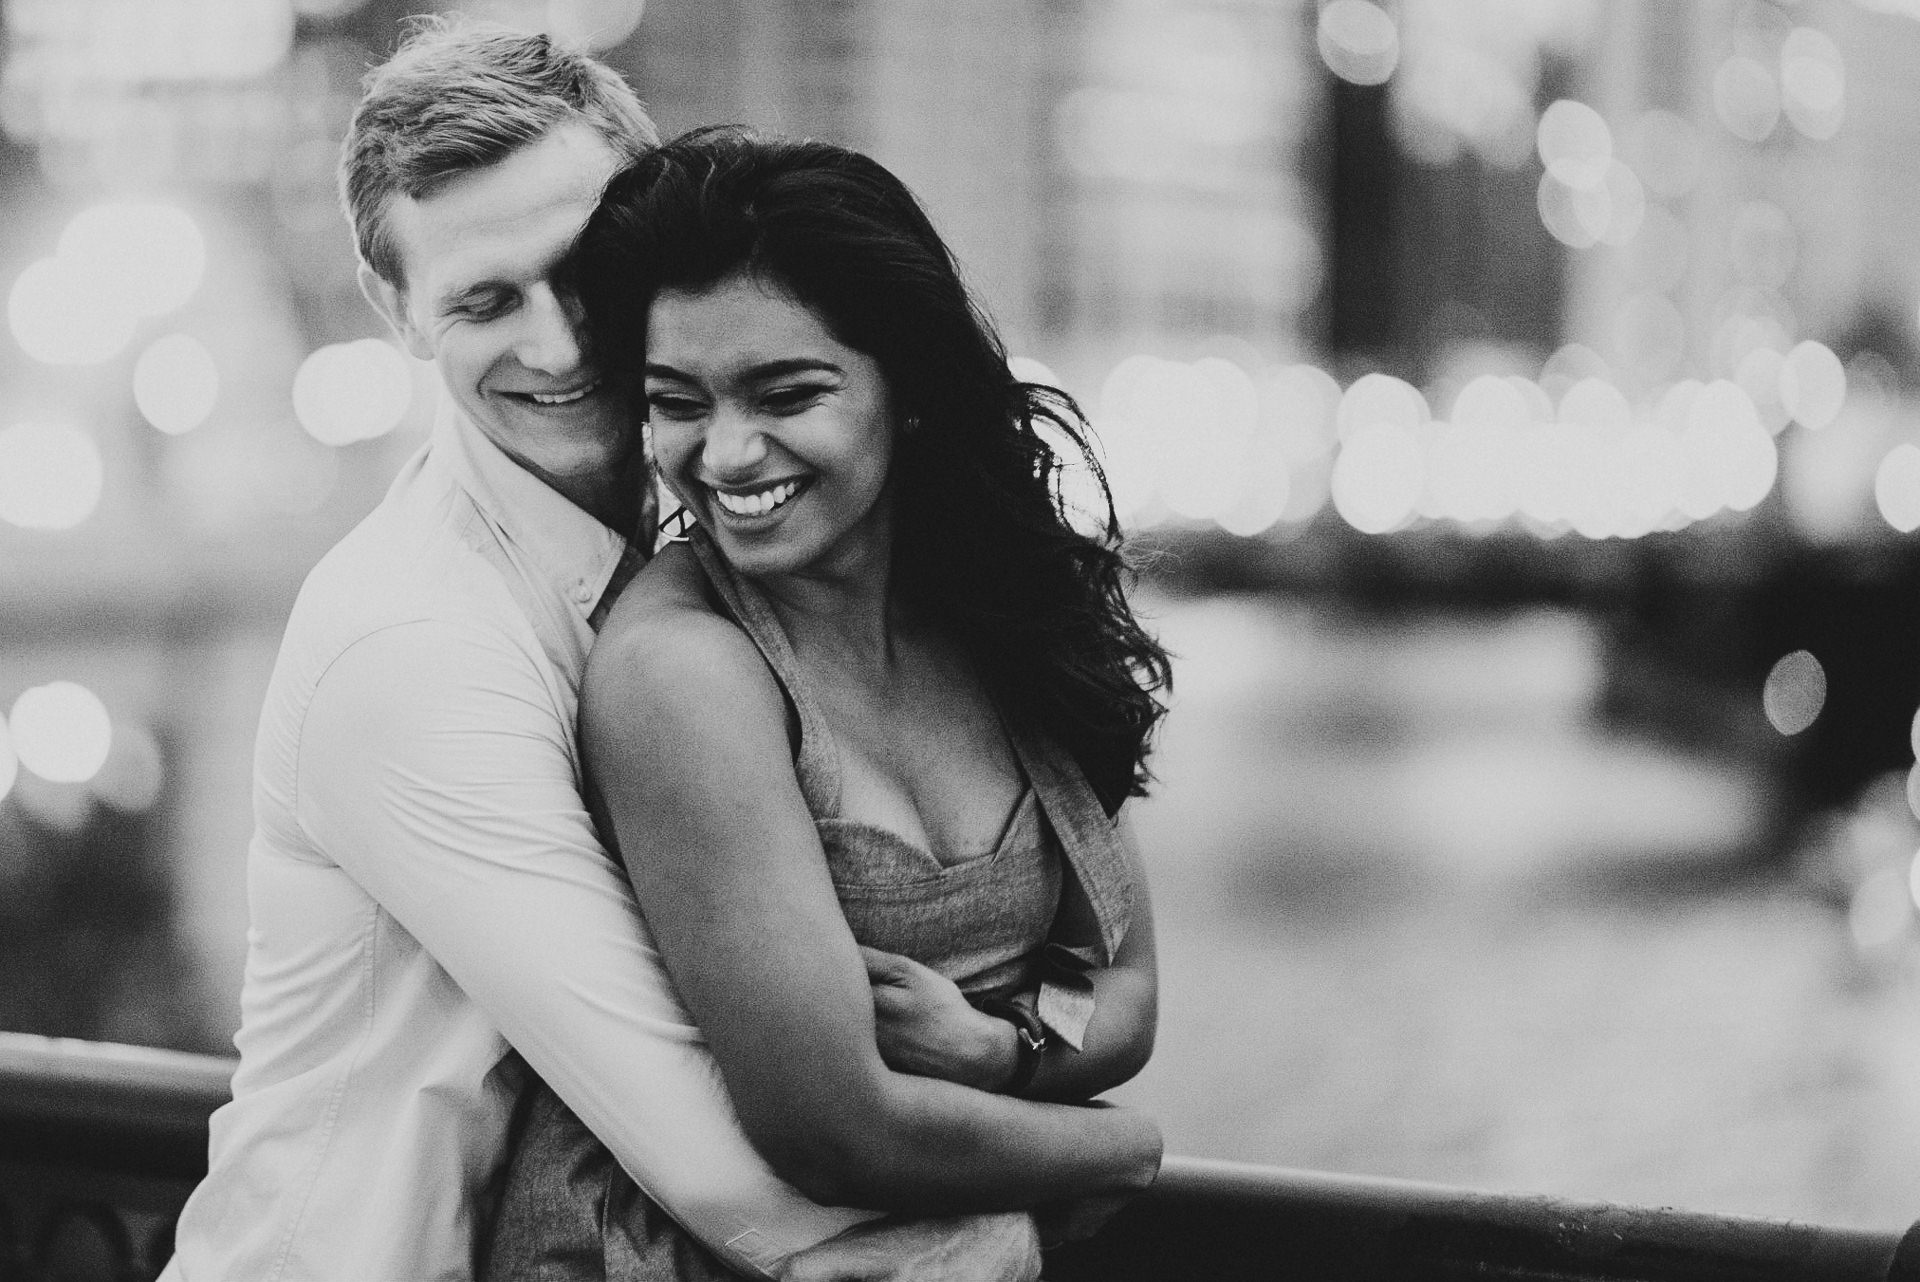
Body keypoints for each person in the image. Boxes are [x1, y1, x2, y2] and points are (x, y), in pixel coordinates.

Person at [160, 21, 1042, 1282]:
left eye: (581, 274)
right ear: (394, 309)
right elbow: (717, 1159)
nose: (563, 345)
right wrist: (1089, 1163)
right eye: (484, 300)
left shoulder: (693, 546)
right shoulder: (412, 644)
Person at [486, 126, 1173, 1278]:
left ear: (904, 388)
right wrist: (1124, 1147)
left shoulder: (1003, 621)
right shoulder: (687, 673)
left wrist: (1000, 1048)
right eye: (678, 403)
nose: (728, 453)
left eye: (786, 392)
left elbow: (1124, 983)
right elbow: (833, 1130)